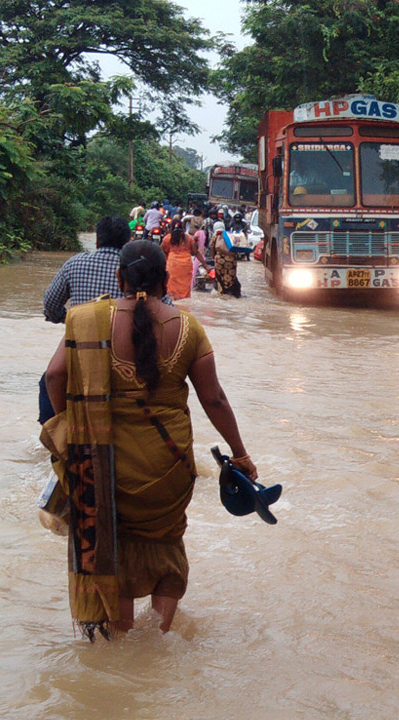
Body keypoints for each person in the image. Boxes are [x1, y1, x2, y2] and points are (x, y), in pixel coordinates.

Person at [41, 240, 258, 638]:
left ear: (119, 277)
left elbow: (55, 376)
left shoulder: (87, 319)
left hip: (107, 464)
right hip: (170, 465)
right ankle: (160, 633)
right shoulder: (188, 328)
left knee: (117, 542)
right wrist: (241, 455)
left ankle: (121, 639)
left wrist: (66, 428)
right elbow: (214, 399)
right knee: (167, 541)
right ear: (164, 280)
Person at [39, 216, 133, 423]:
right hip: (126, 352)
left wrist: (68, 320)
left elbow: (51, 304)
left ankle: (55, 430)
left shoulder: (75, 263)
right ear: (128, 242)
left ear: (97, 241)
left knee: (48, 382)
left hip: (80, 345)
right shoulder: (133, 269)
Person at [161, 220, 196, 299]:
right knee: (185, 287)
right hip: (186, 265)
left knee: (171, 287)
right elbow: (194, 252)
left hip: (172, 264)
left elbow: (162, 250)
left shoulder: (167, 238)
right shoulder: (189, 238)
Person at [212, 221, 241, 297]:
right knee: (231, 278)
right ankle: (230, 293)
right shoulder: (230, 236)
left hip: (219, 262)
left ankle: (222, 293)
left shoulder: (214, 237)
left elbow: (212, 251)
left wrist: (215, 258)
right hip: (231, 261)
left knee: (220, 278)